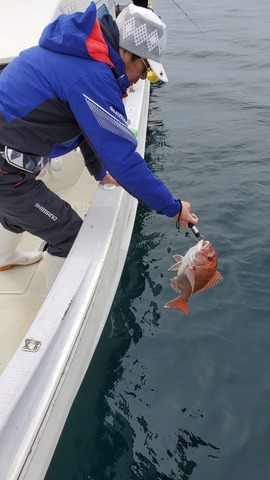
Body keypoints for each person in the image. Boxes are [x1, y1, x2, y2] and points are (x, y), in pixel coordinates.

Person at [0, 2, 198, 288]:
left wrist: (98, 172)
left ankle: (4, 256)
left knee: (20, 209)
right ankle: (57, 314)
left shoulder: (82, 53)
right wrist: (173, 207)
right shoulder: (93, 77)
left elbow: (87, 129)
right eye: (145, 70)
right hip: (7, 172)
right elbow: (125, 162)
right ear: (127, 52)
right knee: (70, 236)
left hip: (11, 159)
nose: (142, 79)